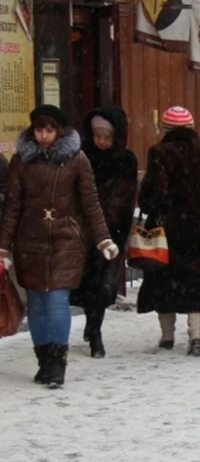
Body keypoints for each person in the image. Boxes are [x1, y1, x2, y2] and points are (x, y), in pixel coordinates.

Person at [0, 104, 119, 388]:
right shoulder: (21, 161)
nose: (43, 135)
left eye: (49, 130)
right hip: (29, 241)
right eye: (39, 129)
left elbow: (91, 204)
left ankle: (58, 362)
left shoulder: (78, 160)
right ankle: (44, 359)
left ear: (60, 131)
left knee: (55, 301)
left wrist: (103, 238)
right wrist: (3, 248)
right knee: (37, 305)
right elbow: (12, 208)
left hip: (67, 239)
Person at [136, 106, 200, 357]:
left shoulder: (160, 153)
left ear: (165, 130)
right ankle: (196, 337)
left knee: (164, 282)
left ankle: (167, 336)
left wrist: (150, 204)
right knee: (196, 286)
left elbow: (153, 192)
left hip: (168, 231)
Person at [71, 106, 138, 359]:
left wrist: (119, 232)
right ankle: (92, 327)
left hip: (112, 231)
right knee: (87, 284)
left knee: (102, 286)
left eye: (106, 136)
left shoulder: (126, 160)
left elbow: (128, 197)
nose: (101, 141)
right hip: (82, 232)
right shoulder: (81, 156)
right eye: (97, 135)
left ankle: (95, 330)